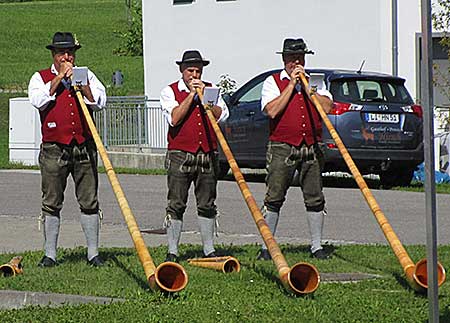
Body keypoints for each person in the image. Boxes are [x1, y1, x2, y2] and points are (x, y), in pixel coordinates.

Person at [28, 32, 107, 267]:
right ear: (54, 55)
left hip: (84, 146)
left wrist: (83, 87)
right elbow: (38, 100)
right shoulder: (40, 77)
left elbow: (101, 102)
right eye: (62, 53)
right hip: (54, 147)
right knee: (51, 200)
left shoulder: (86, 74)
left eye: (70, 52)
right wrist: (59, 78)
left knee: (89, 200)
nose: (67, 57)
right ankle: (50, 254)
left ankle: (93, 253)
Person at [258, 38, 333, 260]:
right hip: (282, 145)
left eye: (299, 58)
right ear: (284, 60)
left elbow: (327, 108)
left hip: (311, 145)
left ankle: (316, 246)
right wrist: (291, 85)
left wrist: (308, 88)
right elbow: (272, 110)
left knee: (315, 196)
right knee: (274, 196)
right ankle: (267, 247)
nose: (296, 62)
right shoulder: (273, 82)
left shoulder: (316, 81)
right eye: (292, 59)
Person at [160, 50, 229, 262]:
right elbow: (174, 118)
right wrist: (191, 95)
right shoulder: (169, 91)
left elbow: (224, 116)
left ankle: (209, 249)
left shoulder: (211, 90)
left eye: (198, 71)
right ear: (182, 70)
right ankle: (173, 250)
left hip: (207, 152)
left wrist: (208, 102)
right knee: (176, 203)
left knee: (207, 202)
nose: (195, 75)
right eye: (190, 70)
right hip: (180, 154)